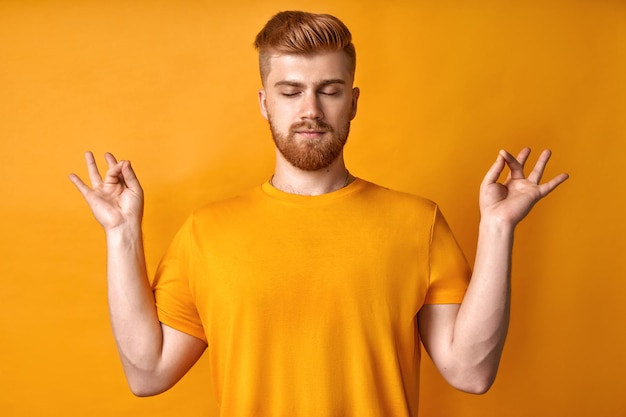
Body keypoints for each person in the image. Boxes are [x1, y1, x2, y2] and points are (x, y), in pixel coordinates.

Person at [69, 10, 569, 417]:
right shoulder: (206, 232)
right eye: (290, 92)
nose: (310, 109)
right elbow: (148, 374)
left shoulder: (418, 222)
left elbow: (471, 372)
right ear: (265, 104)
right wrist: (120, 234)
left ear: (352, 103)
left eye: (328, 91)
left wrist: (499, 229)